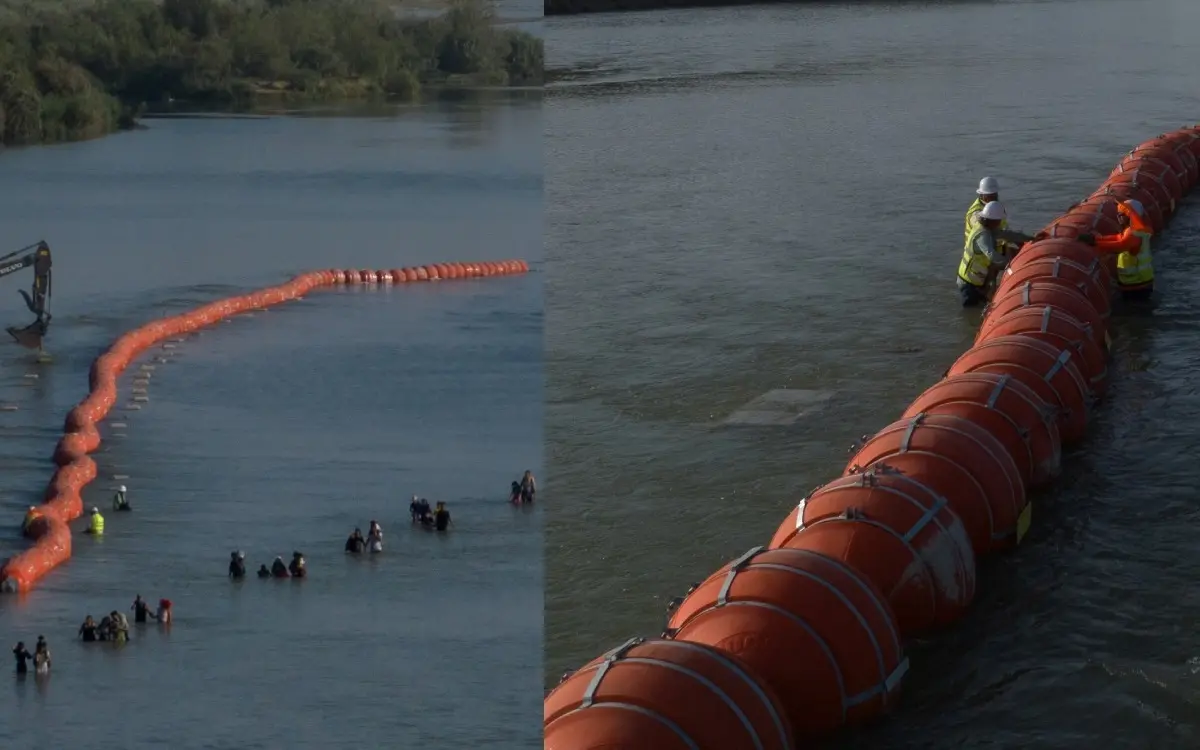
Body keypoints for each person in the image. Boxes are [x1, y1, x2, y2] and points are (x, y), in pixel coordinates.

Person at [957, 201, 1035, 307]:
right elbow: (992, 255)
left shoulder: (988, 228)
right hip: (968, 282)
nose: (999, 223)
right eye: (998, 220)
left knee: (979, 308)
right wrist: (1011, 264)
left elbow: (1007, 235)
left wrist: (1030, 238)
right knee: (972, 308)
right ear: (991, 220)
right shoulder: (982, 235)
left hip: (978, 279)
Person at [1076, 199, 1154, 301]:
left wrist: (1095, 243)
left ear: (1130, 215)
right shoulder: (1131, 231)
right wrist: (1095, 239)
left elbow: (1121, 245)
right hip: (1133, 283)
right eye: (1118, 214)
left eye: (1121, 214)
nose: (1118, 217)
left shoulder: (1135, 234)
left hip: (1139, 285)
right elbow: (1117, 238)